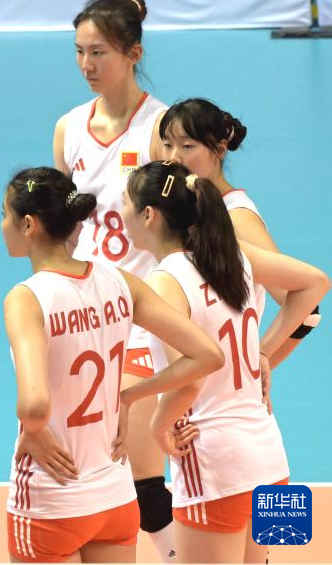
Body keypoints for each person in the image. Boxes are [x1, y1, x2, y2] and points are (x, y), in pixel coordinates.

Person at [0, 167, 223, 563]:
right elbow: (208, 354)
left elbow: (33, 406)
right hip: (115, 498)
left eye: (5, 214)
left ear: (28, 224)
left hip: (52, 498)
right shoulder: (120, 282)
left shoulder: (26, 298)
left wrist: (33, 429)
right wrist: (129, 397)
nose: (2, 224)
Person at [122, 161, 329, 563]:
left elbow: (190, 378)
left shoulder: (166, 280)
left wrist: (158, 427)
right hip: (270, 457)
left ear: (148, 215)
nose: (121, 214)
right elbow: (315, 282)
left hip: (213, 461)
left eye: (125, 203)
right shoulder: (234, 257)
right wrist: (263, 351)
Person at [51, 0, 177, 561]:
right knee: (103, 465)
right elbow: (58, 229)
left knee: (144, 472)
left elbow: (183, 226)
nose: (87, 64)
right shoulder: (69, 128)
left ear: (134, 54)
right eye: (79, 52)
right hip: (84, 315)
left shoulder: (159, 129)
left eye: (99, 52)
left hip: (142, 316)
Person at [158, 98, 320, 366]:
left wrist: (262, 359)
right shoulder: (183, 211)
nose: (173, 157)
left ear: (220, 149)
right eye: (167, 144)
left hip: (217, 384)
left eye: (187, 146)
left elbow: (307, 312)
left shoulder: (236, 217)